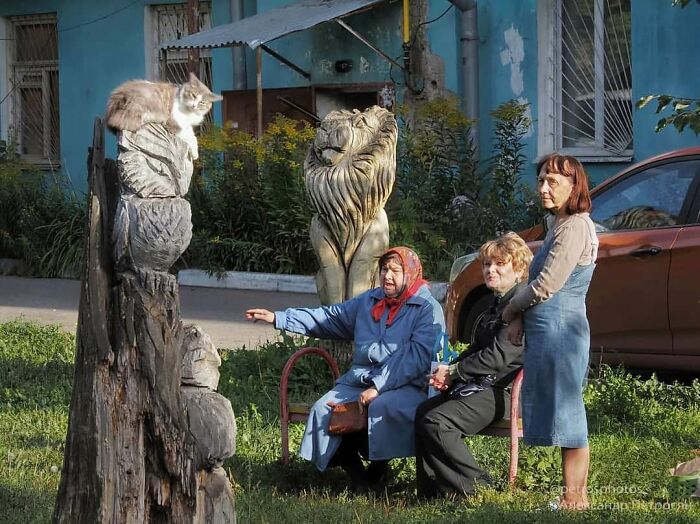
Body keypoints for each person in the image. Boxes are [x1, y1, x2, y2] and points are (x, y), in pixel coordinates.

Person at [246, 247, 445, 493]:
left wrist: (378, 387)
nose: (387, 276)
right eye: (384, 269)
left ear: (410, 274)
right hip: (361, 380)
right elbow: (330, 318)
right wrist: (280, 318)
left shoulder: (426, 307)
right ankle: (360, 479)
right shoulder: (370, 301)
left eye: (395, 271)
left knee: (381, 408)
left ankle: (378, 471)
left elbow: (416, 357)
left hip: (407, 383)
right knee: (323, 411)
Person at [501, 154, 598, 510]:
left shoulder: (575, 227)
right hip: (549, 331)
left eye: (552, 182)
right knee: (562, 412)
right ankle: (573, 497)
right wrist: (520, 319)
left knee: (569, 415)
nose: (543, 187)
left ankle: (574, 499)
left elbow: (546, 285)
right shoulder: (559, 223)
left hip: (562, 333)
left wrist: (511, 309)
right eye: (541, 180)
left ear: (574, 186)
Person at [414, 232, 532, 498]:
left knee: (437, 422)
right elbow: (476, 348)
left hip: (507, 392)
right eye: (487, 264)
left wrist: (455, 372)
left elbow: (496, 357)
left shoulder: (520, 305)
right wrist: (447, 370)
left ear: (519, 269)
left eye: (500, 264)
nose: (490, 270)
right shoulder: (498, 302)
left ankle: (480, 489)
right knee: (424, 412)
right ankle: (433, 493)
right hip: (484, 386)